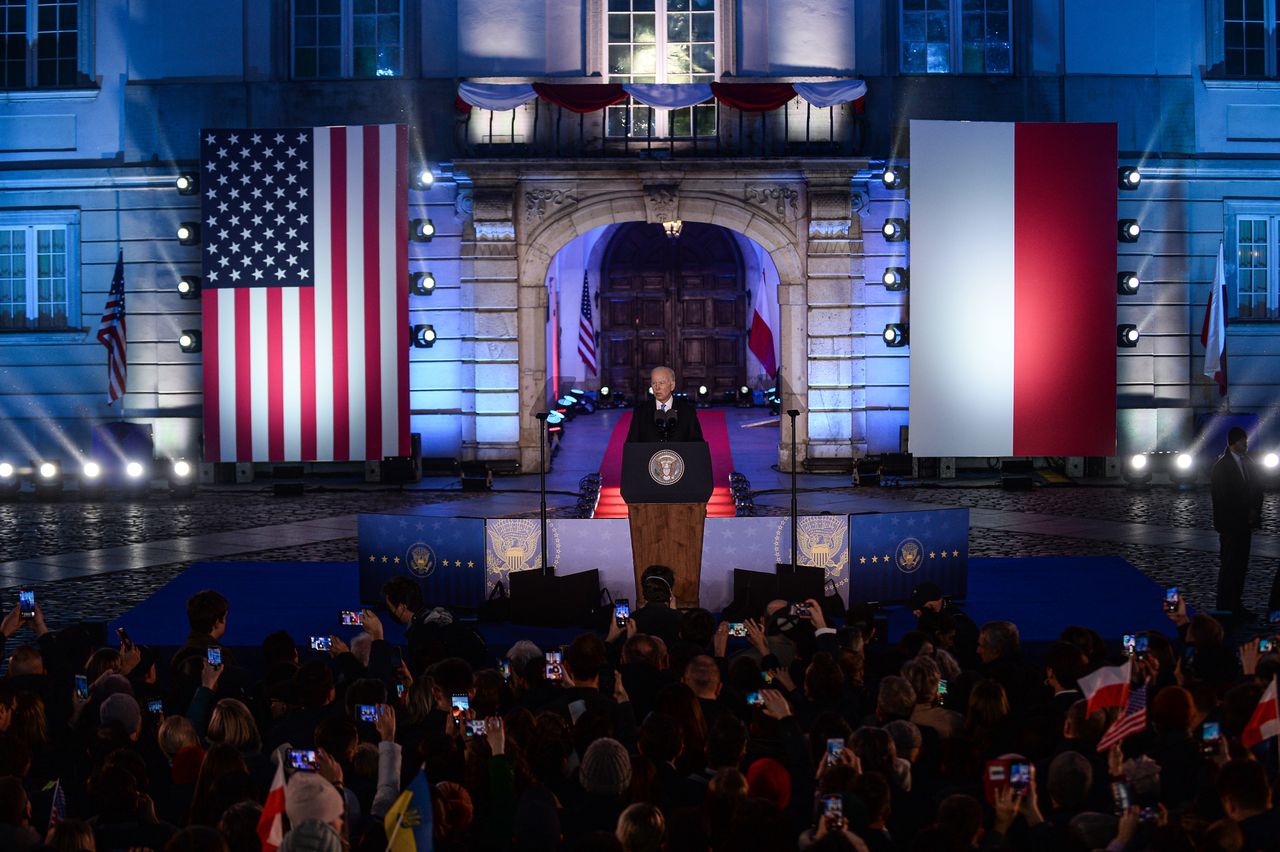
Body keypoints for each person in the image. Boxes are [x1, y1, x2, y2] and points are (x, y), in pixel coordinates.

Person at [1211, 426, 1266, 615]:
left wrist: (1254, 511)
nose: (1246, 444)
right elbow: (1224, 497)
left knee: (1241, 566)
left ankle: (1235, 602)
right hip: (1231, 525)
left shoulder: (1247, 462)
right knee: (1229, 565)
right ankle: (1225, 604)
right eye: (1243, 441)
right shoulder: (1222, 466)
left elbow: (1257, 487)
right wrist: (1246, 511)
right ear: (1234, 443)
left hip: (1244, 524)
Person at [625, 366, 704, 443]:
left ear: (672, 386)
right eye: (654, 383)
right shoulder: (640, 411)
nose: (657, 388)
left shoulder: (687, 411)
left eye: (661, 383)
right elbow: (631, 445)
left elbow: (697, 446)